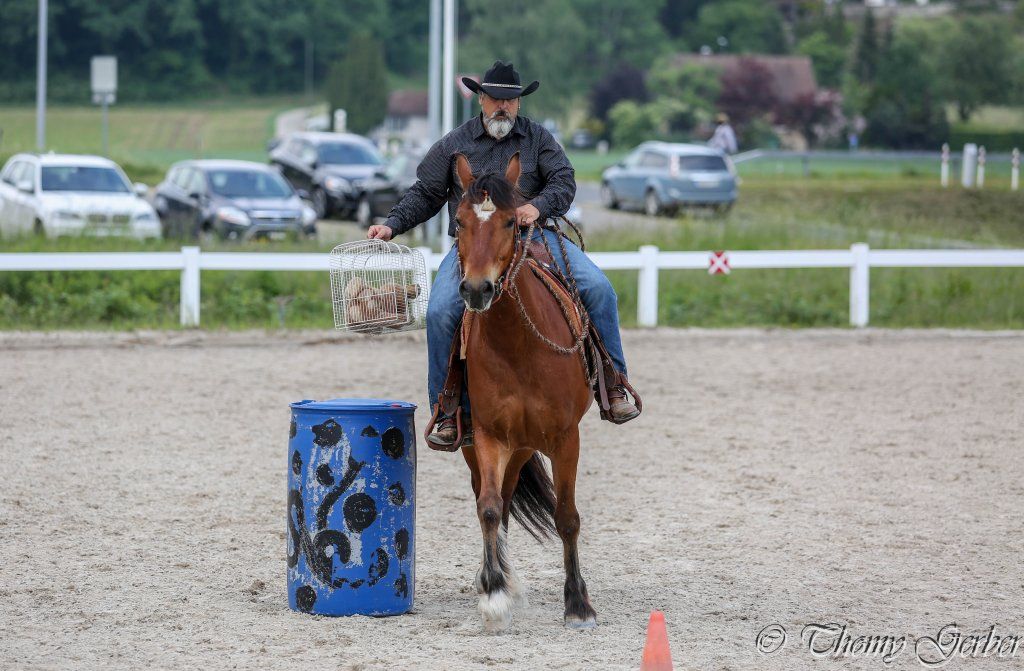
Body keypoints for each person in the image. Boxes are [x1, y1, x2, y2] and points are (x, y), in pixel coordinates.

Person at [367, 61, 640, 448]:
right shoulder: (453, 144)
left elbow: (564, 181)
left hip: (535, 239)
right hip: (474, 247)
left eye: (510, 101)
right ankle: (448, 408)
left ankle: (614, 385)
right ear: (481, 99)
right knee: (441, 311)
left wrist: (538, 206)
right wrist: (392, 225)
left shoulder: (538, 139)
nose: (502, 107)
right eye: (495, 99)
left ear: (518, 104)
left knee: (599, 288)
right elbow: (425, 193)